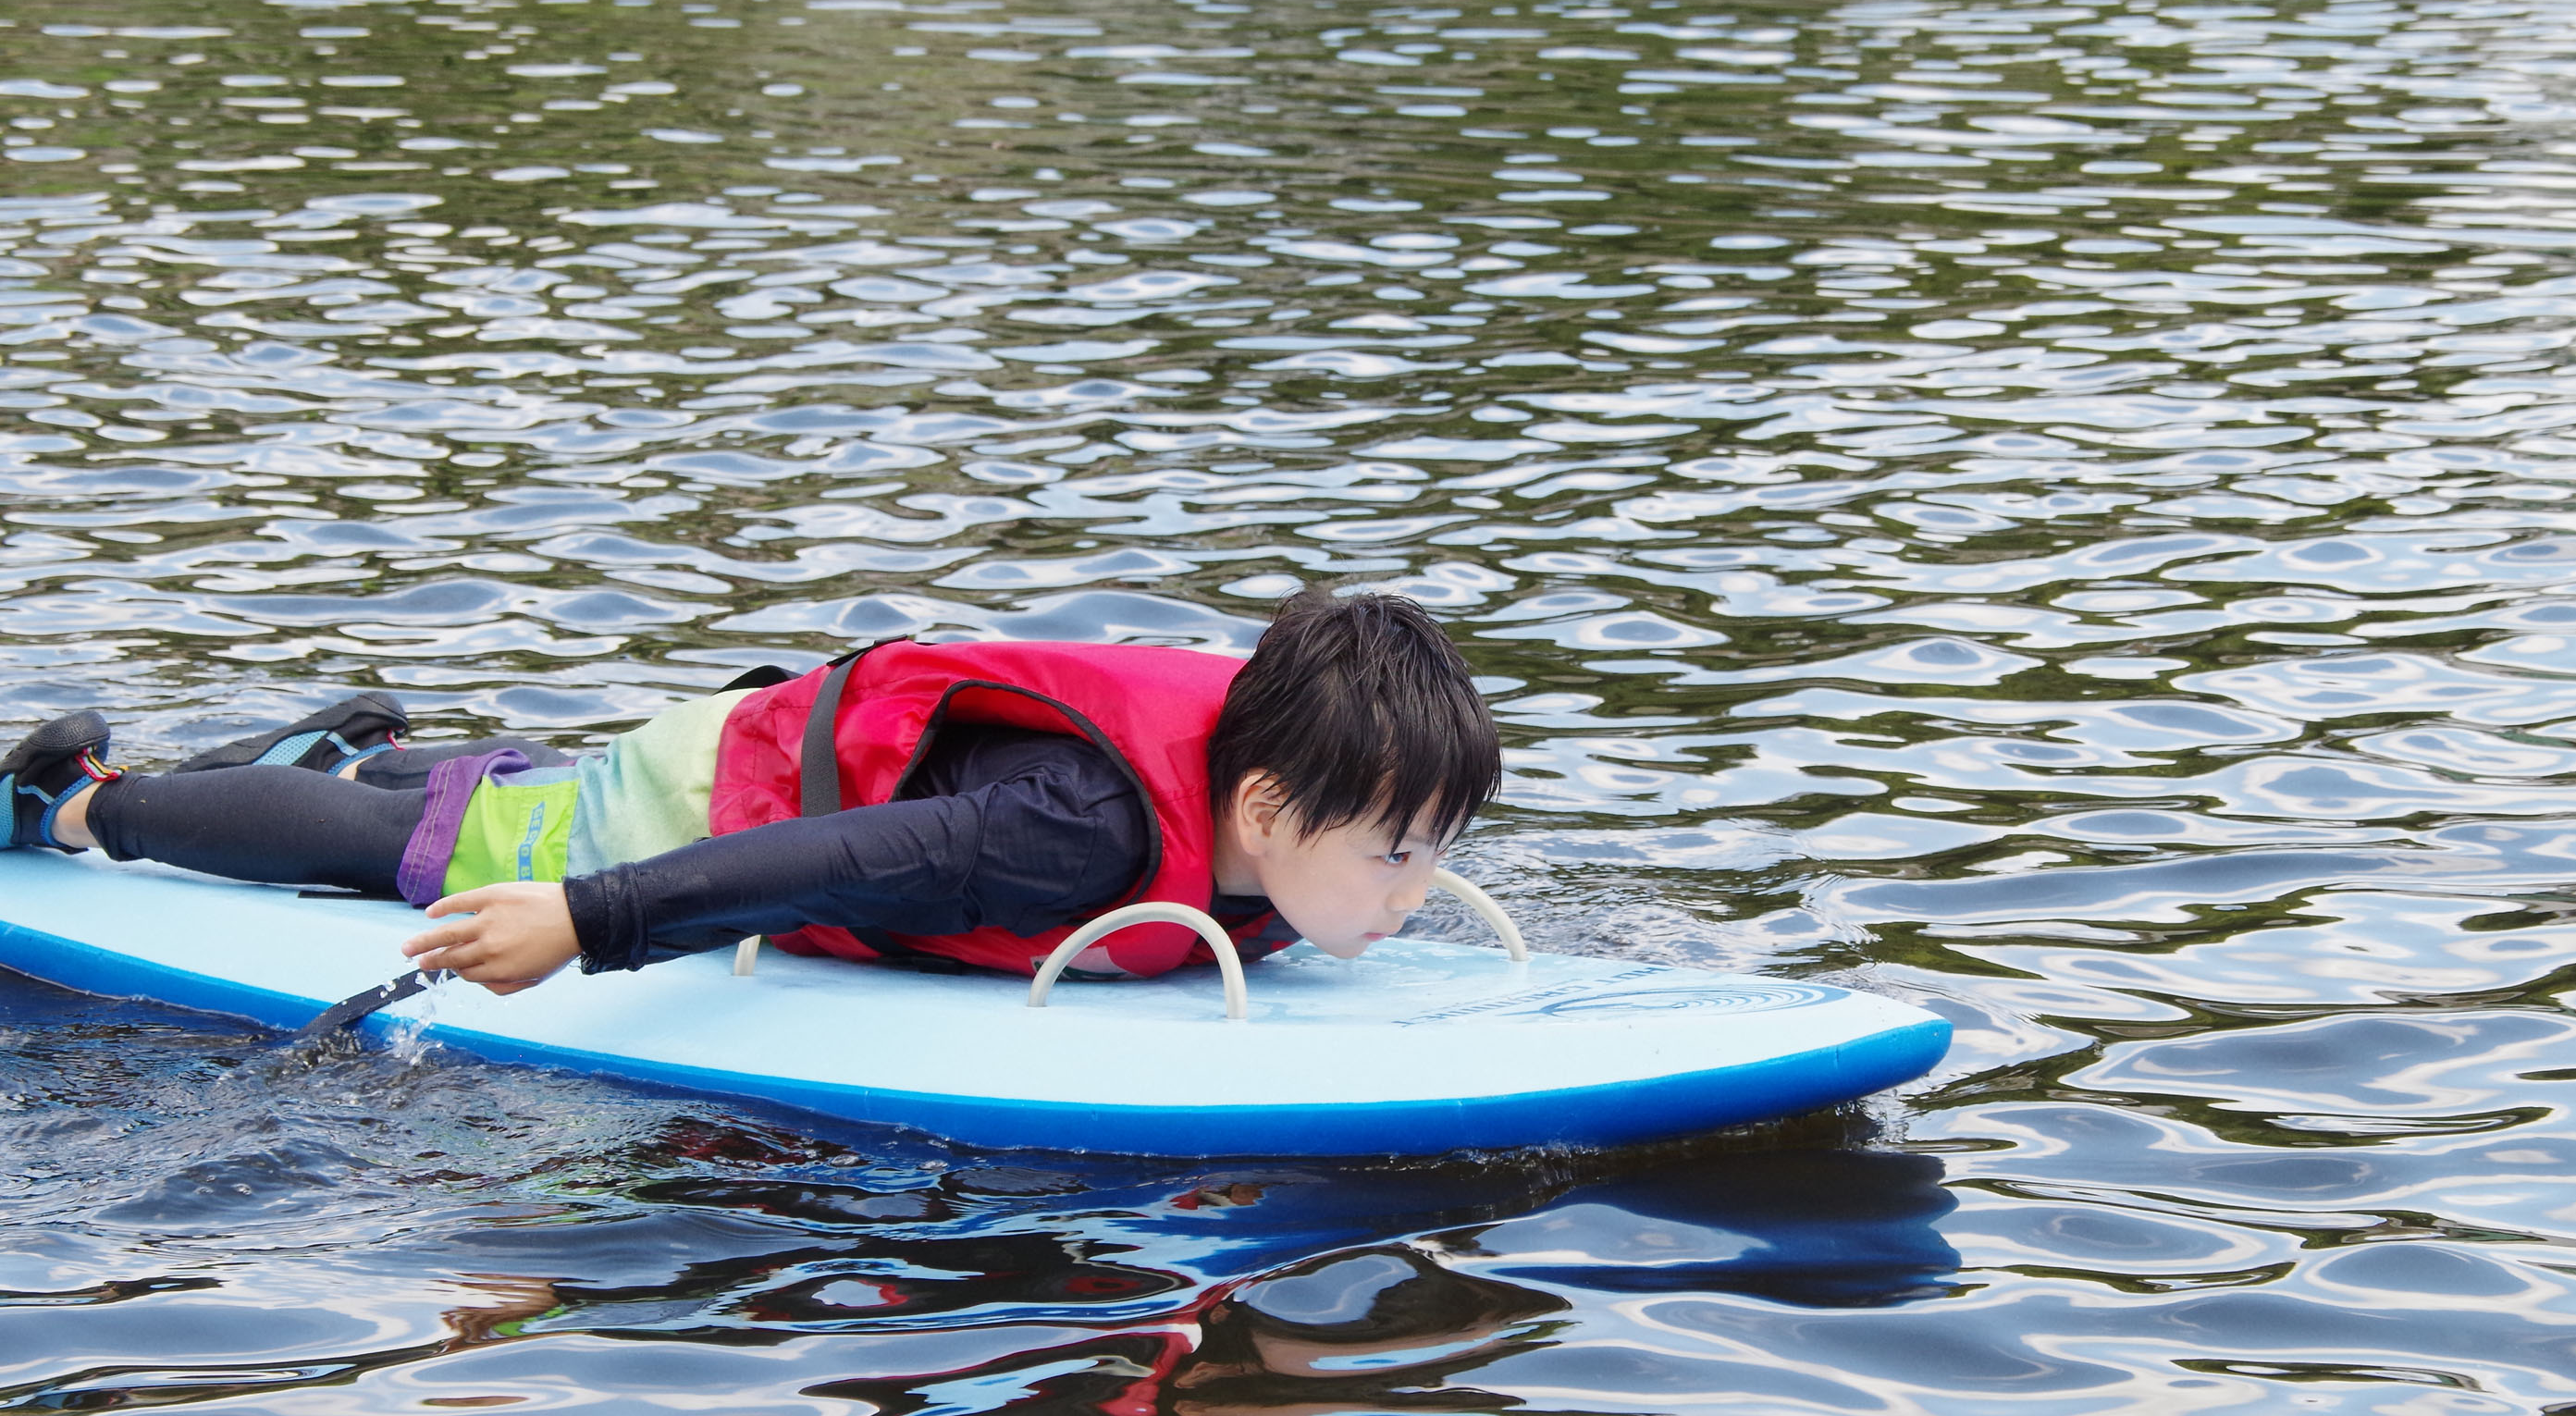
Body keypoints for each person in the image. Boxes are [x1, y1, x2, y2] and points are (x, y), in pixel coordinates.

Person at [0, 592, 1501, 997]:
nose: (1412, 891)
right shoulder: (1076, 834)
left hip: (787, 738)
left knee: (509, 802)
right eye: (1392, 856)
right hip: (712, 799)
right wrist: (588, 924)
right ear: (1257, 806)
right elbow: (837, 857)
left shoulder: (1284, 804)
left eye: (1435, 856)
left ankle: (339, 753)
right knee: (430, 853)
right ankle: (78, 801)